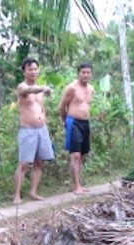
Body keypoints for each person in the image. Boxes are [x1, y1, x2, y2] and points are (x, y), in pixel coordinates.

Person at [13, 57, 55, 205]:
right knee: (24, 163)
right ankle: (17, 195)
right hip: (28, 130)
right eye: (30, 69)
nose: (33, 72)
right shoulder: (22, 87)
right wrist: (44, 88)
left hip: (42, 129)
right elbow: (28, 90)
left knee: (39, 162)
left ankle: (33, 192)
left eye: (35, 69)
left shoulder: (40, 90)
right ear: (24, 71)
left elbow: (40, 107)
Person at [59, 62, 95, 195]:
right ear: (78, 73)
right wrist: (65, 121)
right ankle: (76, 186)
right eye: (83, 72)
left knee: (83, 155)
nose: (85, 75)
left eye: (88, 72)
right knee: (75, 154)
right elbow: (62, 106)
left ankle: (78, 183)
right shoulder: (72, 88)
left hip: (85, 123)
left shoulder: (91, 89)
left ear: (91, 74)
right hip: (73, 122)